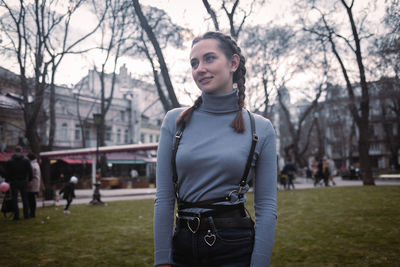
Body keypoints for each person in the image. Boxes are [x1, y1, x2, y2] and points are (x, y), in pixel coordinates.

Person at [154, 31, 277, 267]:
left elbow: (266, 206)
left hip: (234, 246)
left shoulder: (260, 128)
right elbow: (164, 198)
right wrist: (162, 260)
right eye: (194, 63)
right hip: (182, 245)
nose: (200, 68)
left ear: (233, 63)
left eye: (209, 58)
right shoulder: (175, 121)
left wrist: (259, 263)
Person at [5, 146, 33, 220]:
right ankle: (26, 215)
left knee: (14, 199)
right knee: (25, 199)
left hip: (14, 181)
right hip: (23, 181)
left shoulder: (10, 160)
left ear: (14, 151)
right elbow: (30, 171)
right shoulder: (26, 160)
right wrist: (30, 180)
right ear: (21, 151)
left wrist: (7, 181)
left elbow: (7, 173)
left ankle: (16, 216)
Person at [27, 152, 41, 218]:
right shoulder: (36, 164)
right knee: (32, 199)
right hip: (35, 184)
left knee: (31, 199)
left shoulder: (32, 165)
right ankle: (32, 213)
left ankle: (32, 213)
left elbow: (31, 174)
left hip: (32, 184)